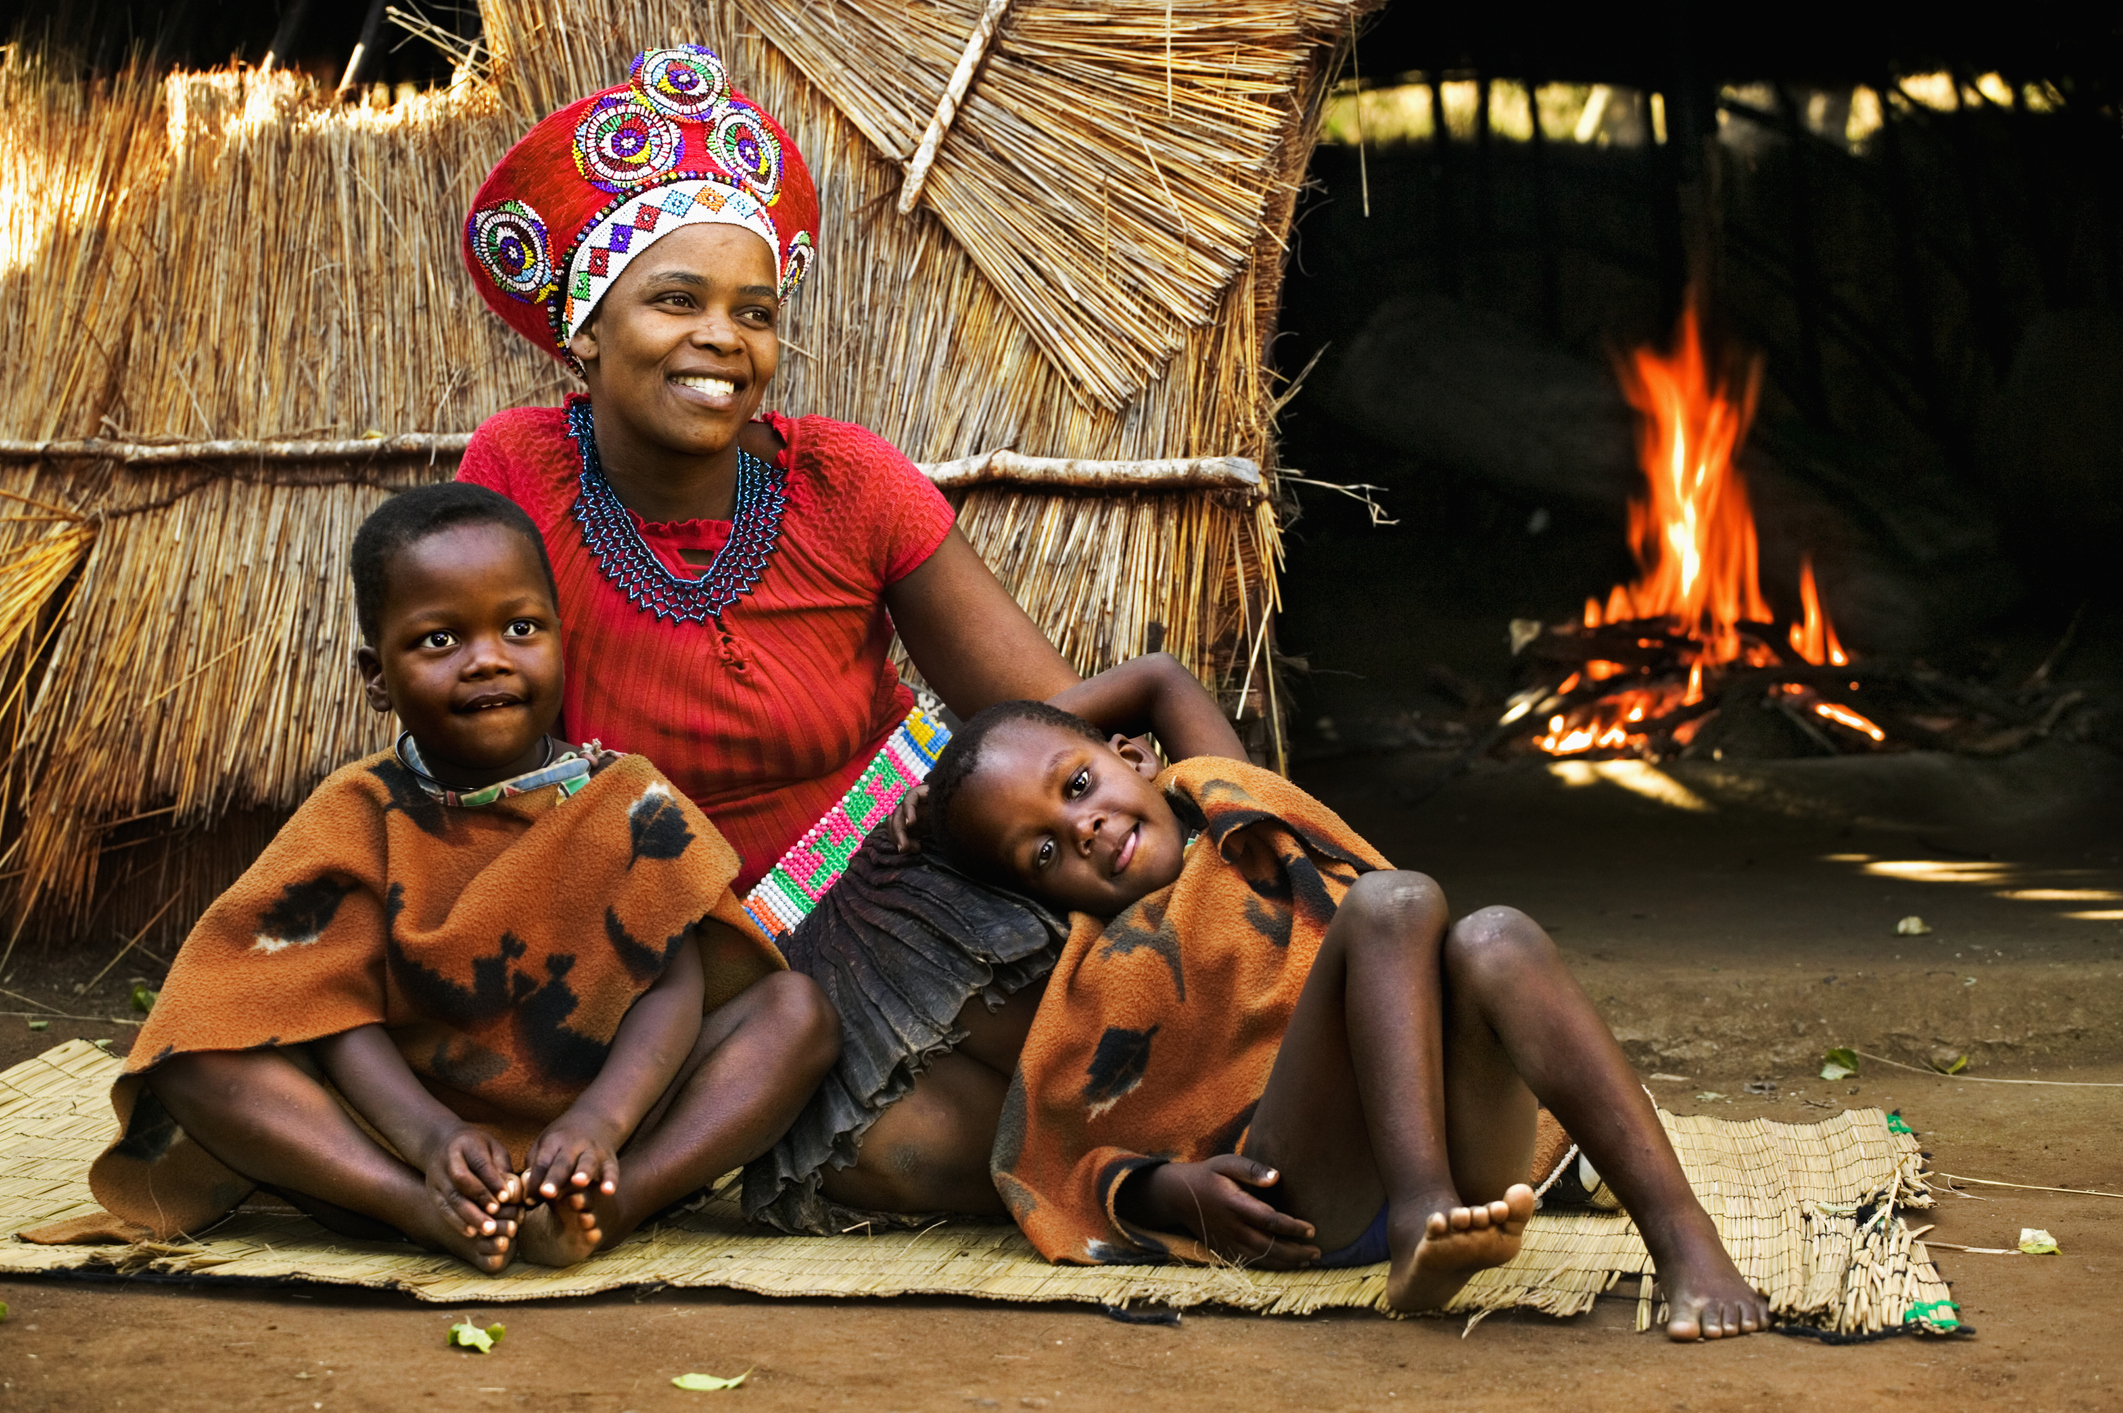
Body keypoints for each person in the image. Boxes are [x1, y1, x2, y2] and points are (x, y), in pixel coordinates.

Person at [454, 45, 1092, 1235]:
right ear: (582, 336)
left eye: (755, 312)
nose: (723, 340)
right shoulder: (517, 476)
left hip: (910, 882)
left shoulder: (847, 480)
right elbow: (483, 741)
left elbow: (1043, 715)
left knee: (1092, 1025)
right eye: (676, 300)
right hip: (698, 958)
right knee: (925, 1152)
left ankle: (1303, 1138)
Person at [85, 484, 837, 1272]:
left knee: (794, 1011)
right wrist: (431, 1139)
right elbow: (326, 1006)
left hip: (605, 1125)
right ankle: (423, 1211)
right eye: (440, 639)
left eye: (520, 627)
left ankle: (611, 1203)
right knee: (195, 1045)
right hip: (396, 1134)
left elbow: (675, 987)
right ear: (376, 676)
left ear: (559, 639)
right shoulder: (357, 812)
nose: (487, 658)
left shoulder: (626, 796)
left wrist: (598, 1126)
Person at [914, 654, 1774, 1340]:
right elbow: (1058, 1150)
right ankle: (1418, 1212)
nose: (1084, 827)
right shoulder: (1096, 962)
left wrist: (964, 763)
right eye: (1041, 852)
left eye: (1076, 785)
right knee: (1392, 903)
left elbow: (1160, 678)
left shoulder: (1235, 807)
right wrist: (1161, 1193)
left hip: (1467, 1156)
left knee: (1496, 936)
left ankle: (1680, 1236)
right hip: (1303, 1197)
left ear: (1138, 756)